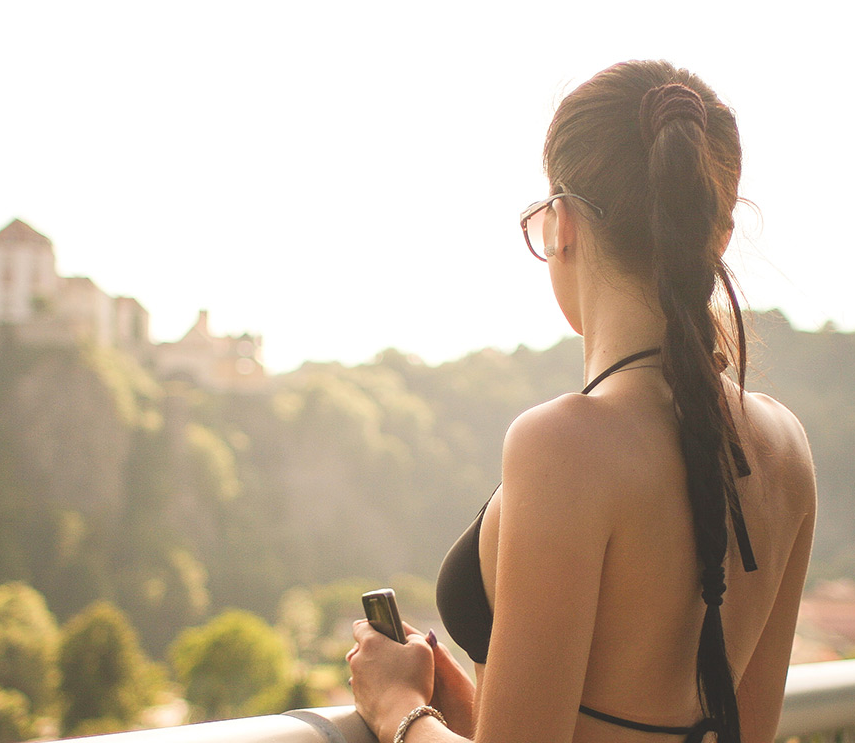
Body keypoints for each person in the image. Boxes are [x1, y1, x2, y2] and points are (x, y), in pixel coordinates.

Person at [347, 60, 817, 743]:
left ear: (560, 222)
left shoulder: (563, 445)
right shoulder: (786, 447)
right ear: (718, 235)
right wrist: (480, 708)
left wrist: (397, 707)